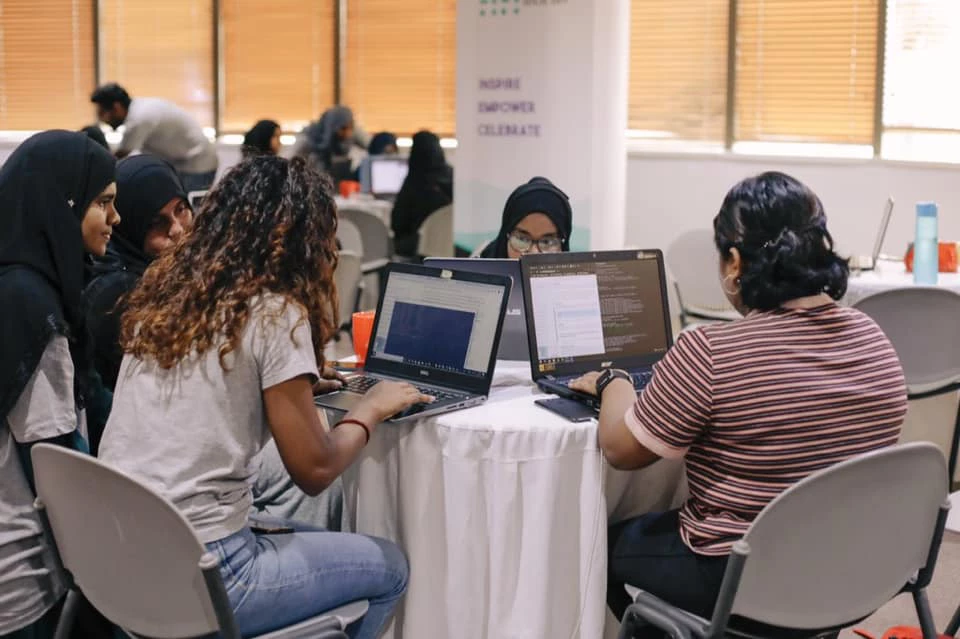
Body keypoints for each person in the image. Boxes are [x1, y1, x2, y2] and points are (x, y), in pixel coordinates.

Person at [98, 155, 425, 638]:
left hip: (122, 558)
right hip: (211, 571)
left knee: (323, 541)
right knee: (389, 567)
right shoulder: (275, 313)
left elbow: (216, 385)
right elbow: (314, 471)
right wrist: (370, 407)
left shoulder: (169, 292)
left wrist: (293, 384)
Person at [566, 171, 908, 632]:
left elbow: (621, 450)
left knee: (600, 547)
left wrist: (614, 382)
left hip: (740, 573)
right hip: (850, 569)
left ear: (733, 261)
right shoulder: (874, 339)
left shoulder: (710, 350)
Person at [0, 131, 118, 637]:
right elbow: (58, 471)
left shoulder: (12, 283)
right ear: (61, 205)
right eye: (103, 203)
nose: (116, 220)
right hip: (22, 581)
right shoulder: (32, 308)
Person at [85, 155, 192, 392]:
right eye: (156, 222)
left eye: (181, 210)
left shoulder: (174, 273)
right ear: (129, 227)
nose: (176, 230)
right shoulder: (119, 292)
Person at [90, 83, 219, 192]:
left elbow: (120, 156)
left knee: (189, 213)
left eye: (102, 113)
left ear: (116, 107)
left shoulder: (139, 118)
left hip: (197, 164)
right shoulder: (140, 108)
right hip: (187, 163)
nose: (102, 119)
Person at [390, 131, 453, 257]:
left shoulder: (414, 182)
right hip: (451, 247)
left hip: (419, 249)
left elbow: (397, 224)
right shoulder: (454, 178)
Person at [478, 176, 572, 259]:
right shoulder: (477, 272)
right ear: (506, 236)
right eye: (522, 239)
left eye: (547, 242)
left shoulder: (578, 277)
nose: (533, 253)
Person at [295, 106, 358, 178]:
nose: (347, 133)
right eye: (343, 128)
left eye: (351, 128)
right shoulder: (307, 138)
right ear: (332, 126)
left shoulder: (346, 141)